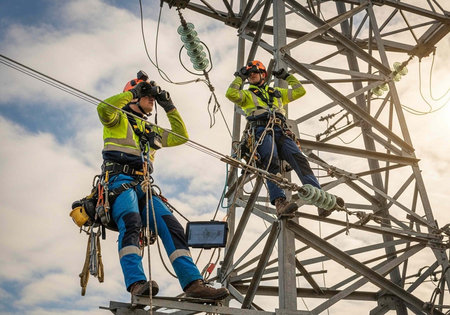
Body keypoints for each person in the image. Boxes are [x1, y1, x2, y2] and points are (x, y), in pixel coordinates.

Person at [97, 70, 229, 300]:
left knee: (172, 227)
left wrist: (169, 105)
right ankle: (136, 283)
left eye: (152, 97)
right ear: (133, 97)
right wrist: (134, 92)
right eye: (147, 96)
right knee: (131, 223)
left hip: (144, 186)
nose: (152, 100)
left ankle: (193, 284)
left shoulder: (151, 130)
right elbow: (103, 109)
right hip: (120, 181)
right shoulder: (116, 119)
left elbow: (181, 136)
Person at [225, 60, 327, 217]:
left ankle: (319, 198)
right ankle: (280, 202)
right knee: (270, 161)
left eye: (254, 73)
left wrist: (287, 77)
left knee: (300, 160)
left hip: (282, 131)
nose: (251, 76)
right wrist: (239, 77)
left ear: (263, 75)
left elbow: (300, 91)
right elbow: (230, 94)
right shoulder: (246, 95)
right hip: (261, 130)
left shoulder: (277, 93)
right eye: (249, 75)